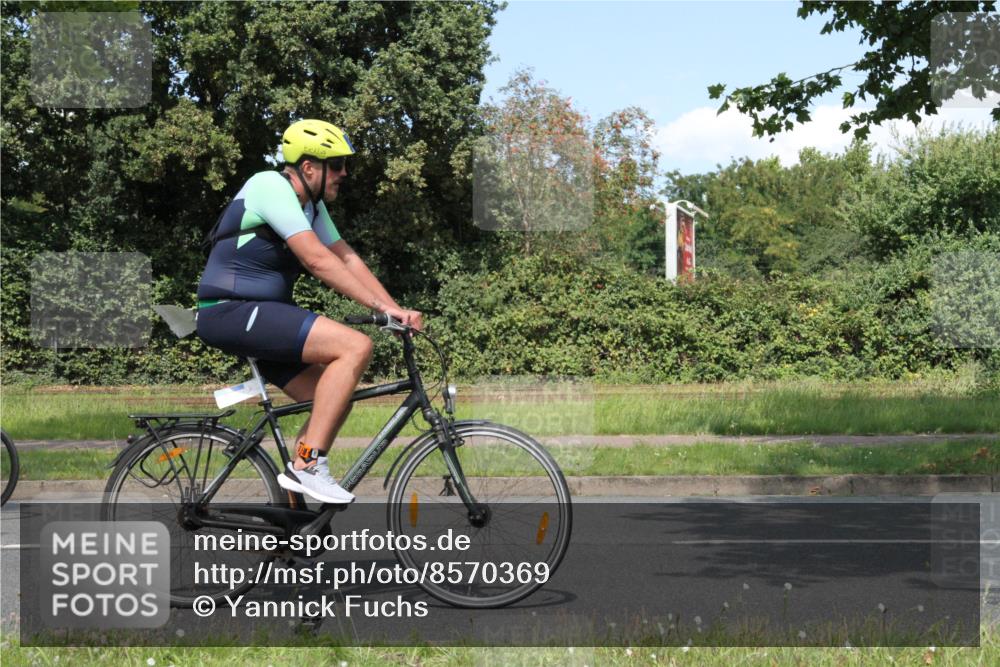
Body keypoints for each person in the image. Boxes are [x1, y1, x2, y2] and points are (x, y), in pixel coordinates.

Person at [196, 119, 422, 504]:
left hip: (260, 315)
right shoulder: (269, 186)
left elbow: (345, 258)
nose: (344, 173)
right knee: (354, 347)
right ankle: (308, 465)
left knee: (332, 398)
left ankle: (289, 519)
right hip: (231, 311)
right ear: (309, 167)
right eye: (336, 164)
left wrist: (396, 309)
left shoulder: (311, 207)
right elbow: (317, 259)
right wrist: (380, 308)